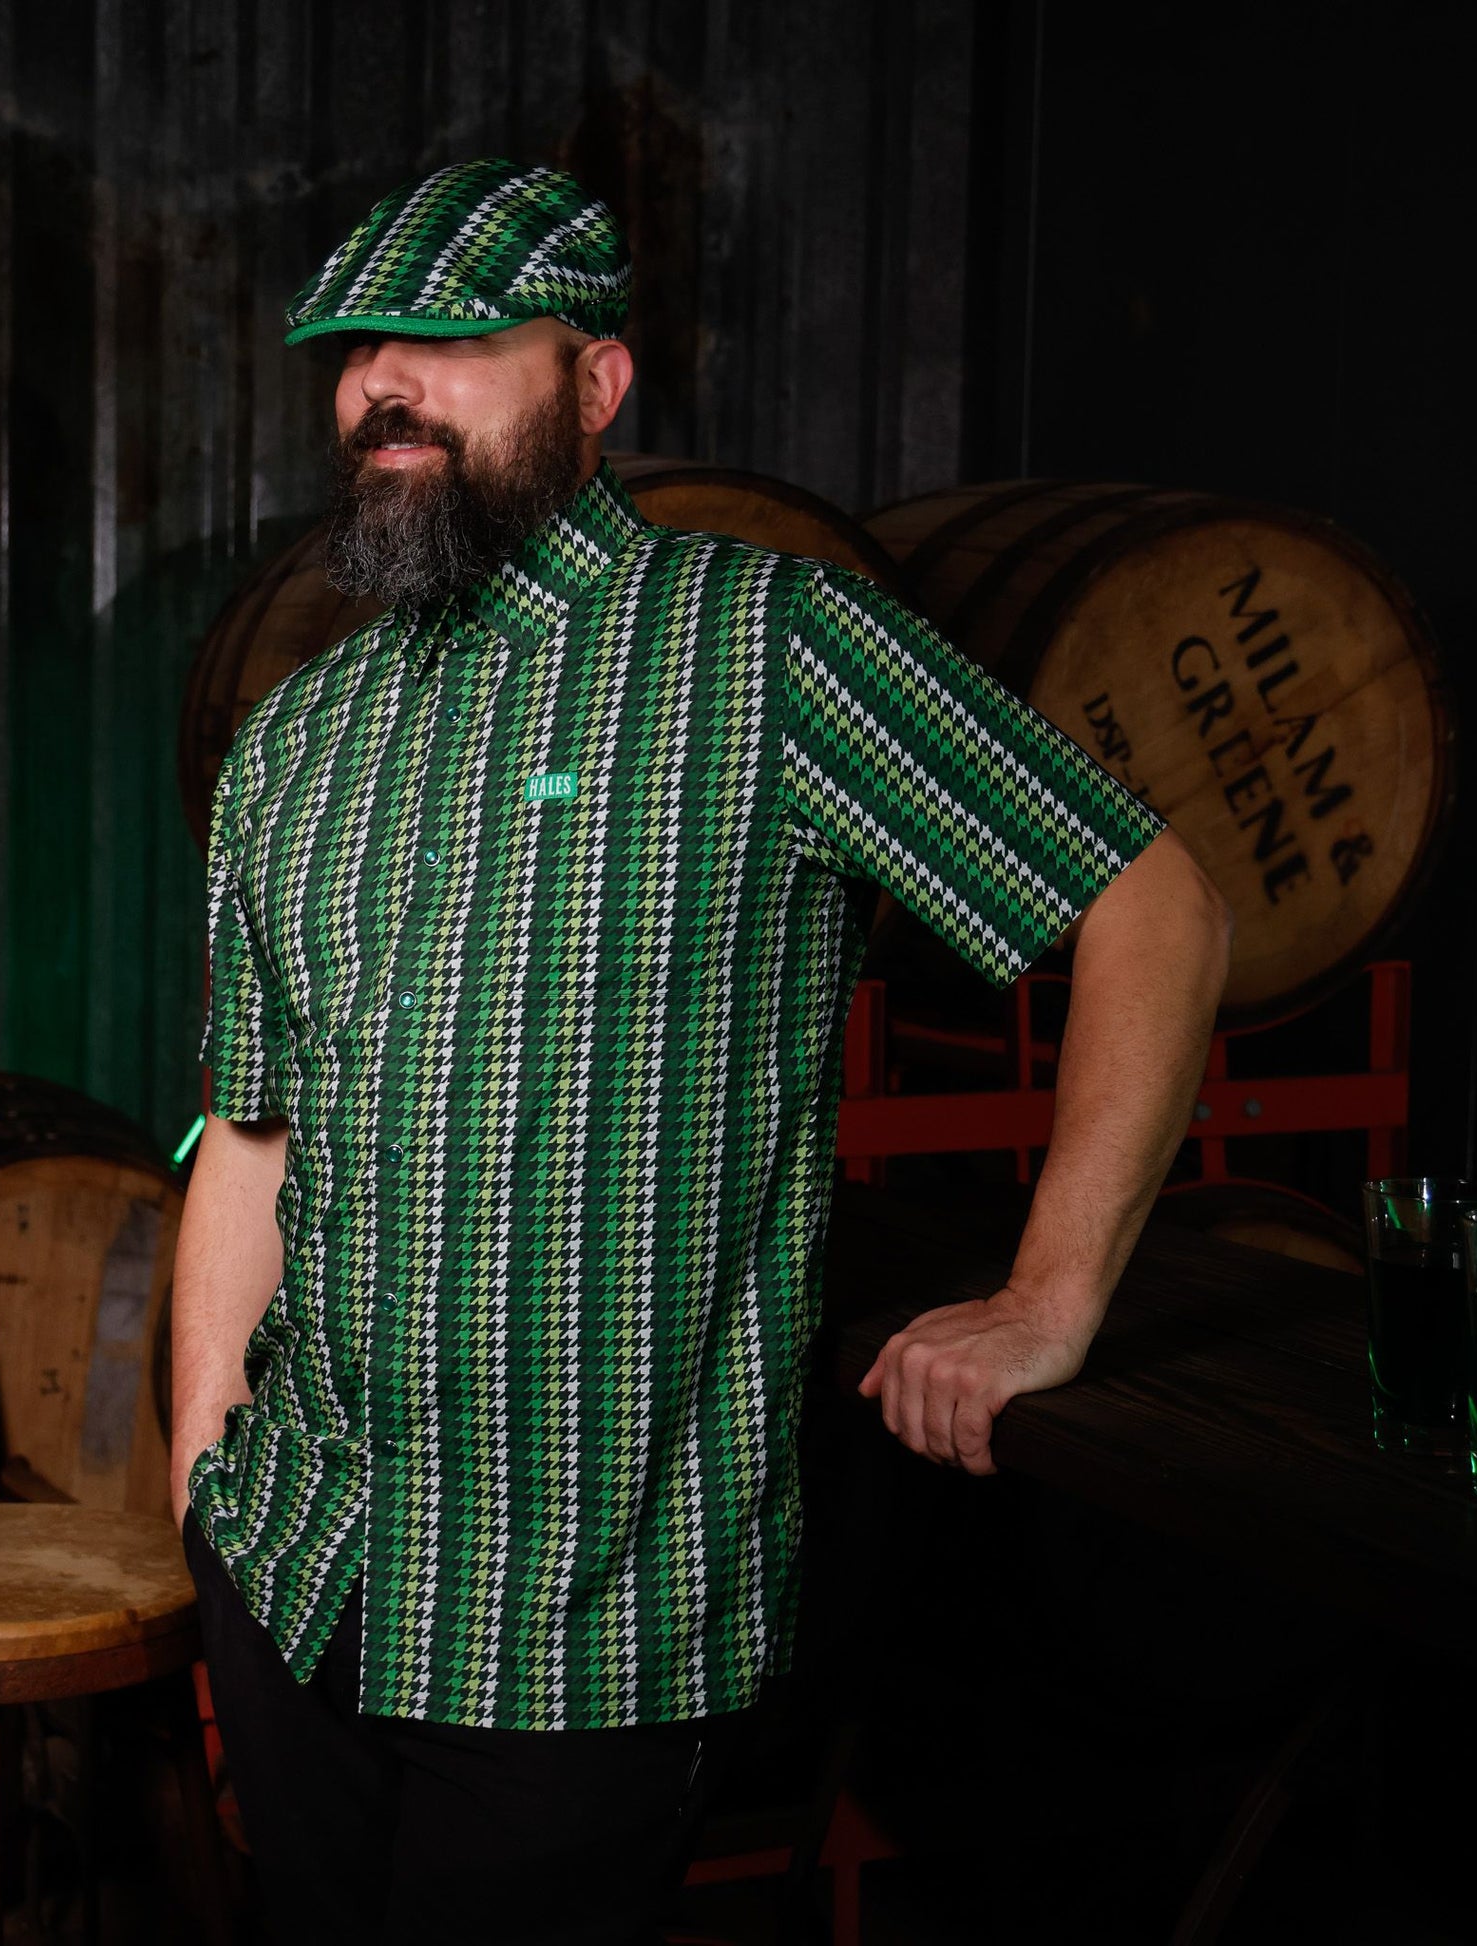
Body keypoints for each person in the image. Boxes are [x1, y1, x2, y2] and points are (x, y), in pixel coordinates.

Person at [171, 157, 1231, 1945]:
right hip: (298, 1571)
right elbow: (253, 1130)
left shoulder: (768, 649)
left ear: (594, 383)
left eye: (450, 340)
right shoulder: (301, 734)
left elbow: (1156, 904)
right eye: (355, 349)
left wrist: (1047, 1299)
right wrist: (203, 1461)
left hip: (572, 1626)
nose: (382, 385)